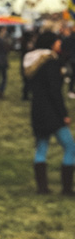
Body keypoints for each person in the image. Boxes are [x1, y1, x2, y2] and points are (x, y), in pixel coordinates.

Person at [23, 30, 75, 196]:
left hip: (37, 108)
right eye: (57, 41)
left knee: (41, 148)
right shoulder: (51, 62)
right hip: (51, 110)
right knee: (70, 146)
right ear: (51, 43)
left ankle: (42, 188)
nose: (59, 44)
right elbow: (54, 91)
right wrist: (64, 113)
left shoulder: (30, 61)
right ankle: (67, 188)